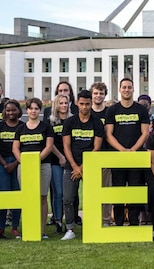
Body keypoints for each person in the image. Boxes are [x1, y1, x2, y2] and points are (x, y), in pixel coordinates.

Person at [104, 78, 150, 227]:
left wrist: (133, 150)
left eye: (129, 87)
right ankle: (118, 222)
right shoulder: (112, 110)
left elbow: (145, 133)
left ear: (133, 89)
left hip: (136, 156)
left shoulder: (141, 109)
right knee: (118, 189)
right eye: (124, 87)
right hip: (117, 156)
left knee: (135, 189)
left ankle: (134, 222)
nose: (126, 90)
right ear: (119, 89)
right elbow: (108, 134)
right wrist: (122, 150)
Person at [61, 91, 104, 240]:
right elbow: (66, 146)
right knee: (67, 198)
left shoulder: (97, 123)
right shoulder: (69, 122)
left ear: (91, 103)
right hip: (71, 166)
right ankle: (70, 229)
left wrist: (83, 167)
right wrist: (75, 166)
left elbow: (96, 147)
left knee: (92, 197)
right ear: (77, 104)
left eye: (87, 104)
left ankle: (93, 225)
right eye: (82, 104)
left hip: (90, 165)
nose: (84, 107)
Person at [13, 98, 55, 239]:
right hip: (24, 167)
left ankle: (42, 231)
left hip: (43, 166)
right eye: (31, 108)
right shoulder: (20, 128)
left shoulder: (46, 127)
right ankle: (28, 228)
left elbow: (49, 146)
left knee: (42, 197)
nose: (33, 111)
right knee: (27, 198)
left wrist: (35, 161)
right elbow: (15, 148)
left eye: (36, 108)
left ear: (40, 110)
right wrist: (24, 162)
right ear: (27, 110)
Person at [0, 99, 24, 238]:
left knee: (17, 194)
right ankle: (1, 227)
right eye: (8, 110)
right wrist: (4, 163)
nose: (11, 112)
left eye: (13, 110)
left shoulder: (23, 126)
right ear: (4, 111)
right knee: (2, 196)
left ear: (18, 111)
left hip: (18, 163)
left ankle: (15, 226)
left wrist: (15, 163)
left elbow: (25, 147)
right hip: (1, 164)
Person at [88, 81, 114, 226]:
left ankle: (105, 220)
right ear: (91, 95)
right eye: (96, 93)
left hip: (106, 155)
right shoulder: (87, 111)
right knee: (91, 190)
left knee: (106, 190)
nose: (98, 96)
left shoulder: (109, 112)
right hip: (90, 156)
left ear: (105, 95)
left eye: (101, 93)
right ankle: (92, 219)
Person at [48, 94, 71, 234]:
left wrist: (68, 158)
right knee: (58, 192)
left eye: (66, 103)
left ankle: (70, 221)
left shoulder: (73, 120)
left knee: (69, 194)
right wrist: (61, 156)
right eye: (61, 103)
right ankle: (57, 221)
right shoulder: (50, 122)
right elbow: (50, 143)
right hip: (55, 160)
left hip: (70, 160)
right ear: (56, 105)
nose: (64, 105)